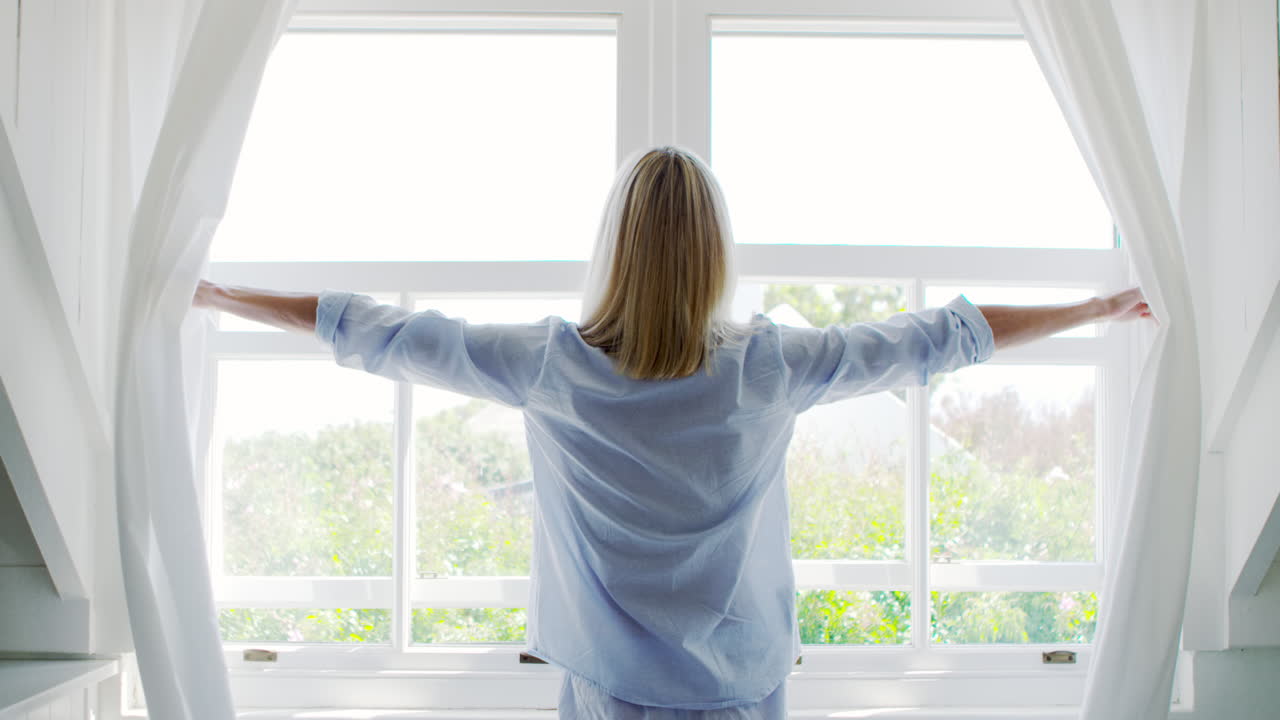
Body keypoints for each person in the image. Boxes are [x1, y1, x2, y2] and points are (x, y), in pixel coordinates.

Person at [194, 146, 1150, 718]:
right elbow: (936, 338)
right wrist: (1099, 304)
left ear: (612, 249)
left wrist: (216, 294)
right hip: (741, 689)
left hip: (608, 692)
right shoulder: (769, 367)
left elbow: (378, 331)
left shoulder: (550, 366)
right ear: (715, 256)